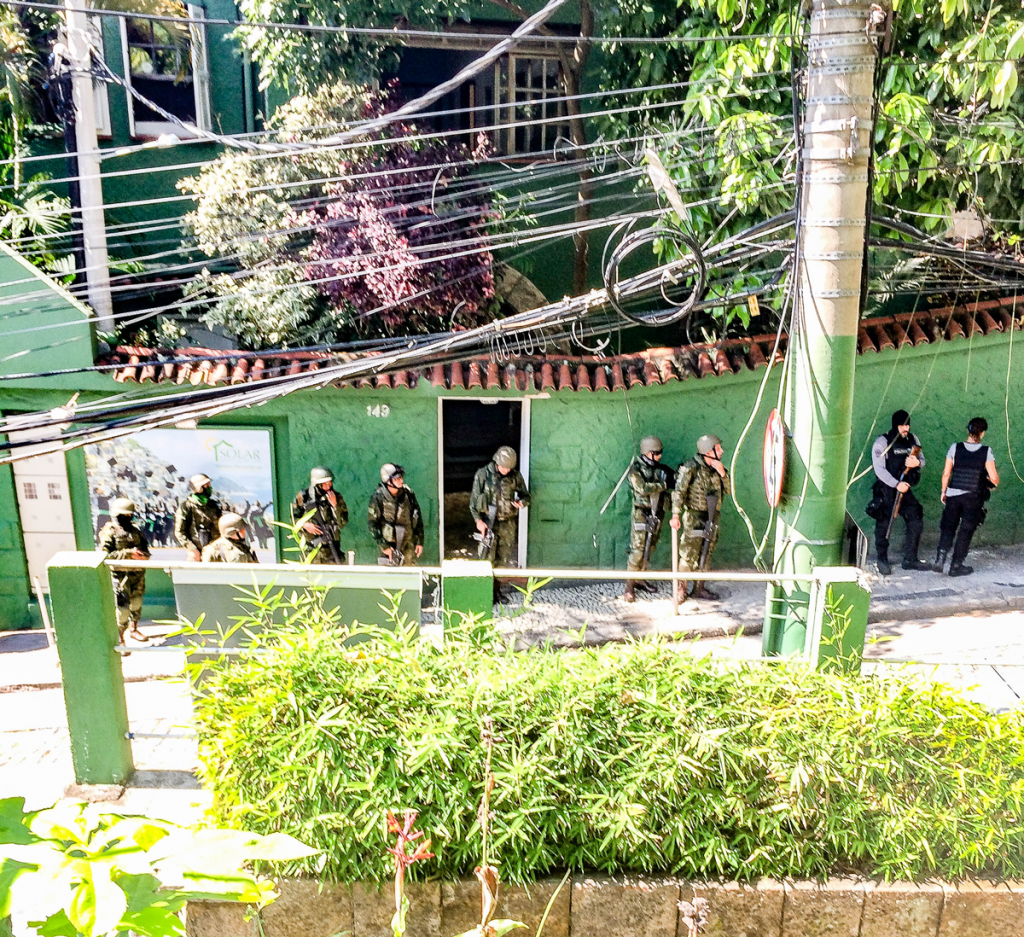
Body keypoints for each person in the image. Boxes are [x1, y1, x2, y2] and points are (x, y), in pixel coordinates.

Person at [934, 417, 999, 576]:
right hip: (973, 497)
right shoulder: (986, 452)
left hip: (953, 496)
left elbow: (946, 473)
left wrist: (944, 491)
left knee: (948, 526)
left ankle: (940, 559)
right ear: (982, 433)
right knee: (966, 530)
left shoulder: (955, 448)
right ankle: (956, 565)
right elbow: (994, 479)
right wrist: (987, 482)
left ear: (968, 431)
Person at [670, 434, 732, 602]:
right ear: (708, 451)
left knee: (707, 552)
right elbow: (679, 492)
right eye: (718, 448)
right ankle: (680, 588)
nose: (722, 451)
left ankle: (699, 588)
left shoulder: (719, 468)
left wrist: (723, 474)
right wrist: (675, 514)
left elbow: (729, 491)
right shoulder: (690, 467)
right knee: (688, 554)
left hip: (713, 516)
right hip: (694, 516)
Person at [870, 410, 928, 575]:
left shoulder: (913, 440)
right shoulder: (882, 442)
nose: (905, 428)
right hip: (887, 491)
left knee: (916, 519)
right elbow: (879, 470)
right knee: (884, 526)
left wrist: (916, 462)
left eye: (907, 424)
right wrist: (896, 484)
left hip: (905, 491)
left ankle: (910, 559)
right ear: (895, 425)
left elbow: (922, 460)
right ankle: (882, 560)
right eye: (902, 425)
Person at [623, 435, 674, 602]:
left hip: (658, 512)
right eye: (656, 453)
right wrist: (663, 485)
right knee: (638, 551)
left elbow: (673, 481)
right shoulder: (635, 470)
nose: (659, 456)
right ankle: (629, 586)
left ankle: (641, 578)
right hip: (641, 514)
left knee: (649, 548)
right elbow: (642, 488)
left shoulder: (661, 469)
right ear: (647, 452)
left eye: (661, 452)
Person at [98, 498, 150, 643]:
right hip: (120, 578)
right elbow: (105, 555)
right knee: (122, 610)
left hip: (137, 575)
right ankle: (119, 637)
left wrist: (143, 556)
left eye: (130, 515)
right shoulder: (110, 531)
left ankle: (133, 629)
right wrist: (128, 553)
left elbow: (146, 550)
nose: (128, 517)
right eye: (124, 515)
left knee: (137, 603)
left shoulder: (135, 530)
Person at [469, 446, 531, 569]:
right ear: (497, 462)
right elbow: (473, 503)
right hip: (488, 522)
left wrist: (521, 502)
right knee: (486, 559)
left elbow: (526, 497)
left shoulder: (515, 476)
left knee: (503, 559)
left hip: (508, 524)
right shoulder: (483, 474)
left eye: (509, 468)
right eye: (504, 467)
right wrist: (478, 521)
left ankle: (497, 587)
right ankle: (486, 587)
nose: (506, 470)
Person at [368, 464, 425, 566]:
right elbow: (372, 524)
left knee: (409, 574)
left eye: (401, 478)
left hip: (408, 544)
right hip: (389, 547)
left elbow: (417, 517)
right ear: (388, 481)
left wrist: (419, 541)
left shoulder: (408, 493)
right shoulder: (379, 497)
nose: (401, 481)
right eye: (397, 479)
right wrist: (383, 545)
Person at [290, 466, 348, 564]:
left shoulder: (336, 497)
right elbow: (293, 518)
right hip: (312, 551)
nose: (329, 486)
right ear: (317, 484)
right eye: (325, 484)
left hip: (332, 550)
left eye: (330, 482)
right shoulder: (303, 497)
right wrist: (304, 525)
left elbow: (343, 523)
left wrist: (335, 506)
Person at [174, 474, 222, 561]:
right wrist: (192, 548)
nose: (209, 488)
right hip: (197, 555)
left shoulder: (213, 505)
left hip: (215, 553)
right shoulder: (187, 506)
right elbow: (180, 532)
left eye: (209, 485)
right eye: (206, 485)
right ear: (199, 487)